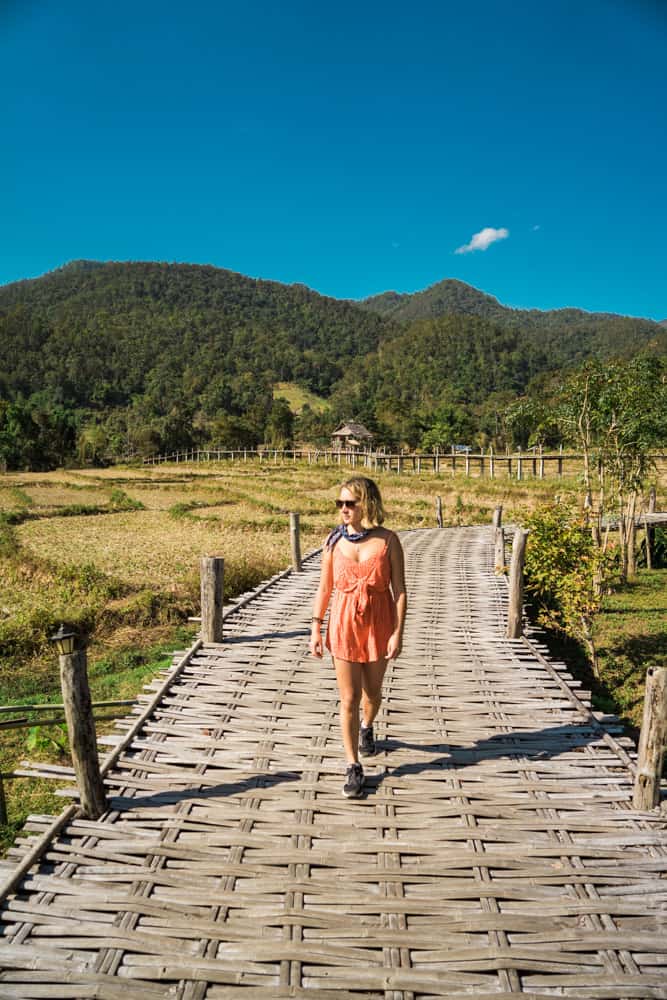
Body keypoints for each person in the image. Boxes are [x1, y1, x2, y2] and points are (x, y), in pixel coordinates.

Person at [309, 476, 407, 798]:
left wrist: (397, 633)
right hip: (343, 624)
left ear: (367, 503)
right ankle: (353, 766)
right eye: (340, 503)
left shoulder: (388, 541)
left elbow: (399, 591)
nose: (344, 509)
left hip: (378, 623)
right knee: (348, 699)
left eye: (350, 503)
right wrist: (316, 628)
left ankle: (367, 727)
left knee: (372, 694)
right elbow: (325, 588)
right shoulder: (333, 542)